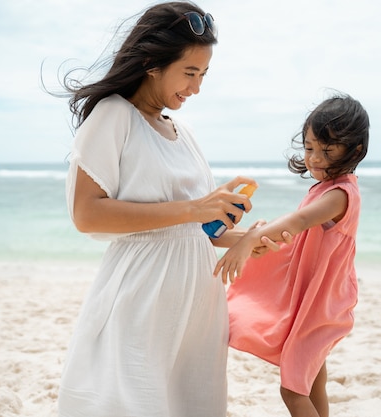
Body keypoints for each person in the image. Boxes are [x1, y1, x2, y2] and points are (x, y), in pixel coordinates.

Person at [57, 2, 258, 416]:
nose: (197, 87)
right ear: (151, 62)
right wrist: (194, 208)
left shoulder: (182, 132)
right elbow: (87, 214)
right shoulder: (114, 115)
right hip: (143, 299)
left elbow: (197, 229)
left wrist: (246, 240)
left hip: (198, 307)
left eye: (203, 75)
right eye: (189, 73)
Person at [214, 93, 370, 417]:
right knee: (313, 380)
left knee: (293, 389)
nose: (314, 158)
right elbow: (298, 231)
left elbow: (299, 221)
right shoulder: (325, 188)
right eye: (310, 147)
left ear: (354, 151)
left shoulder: (341, 194)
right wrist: (248, 234)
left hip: (321, 301)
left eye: (327, 150)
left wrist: (248, 243)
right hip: (314, 296)